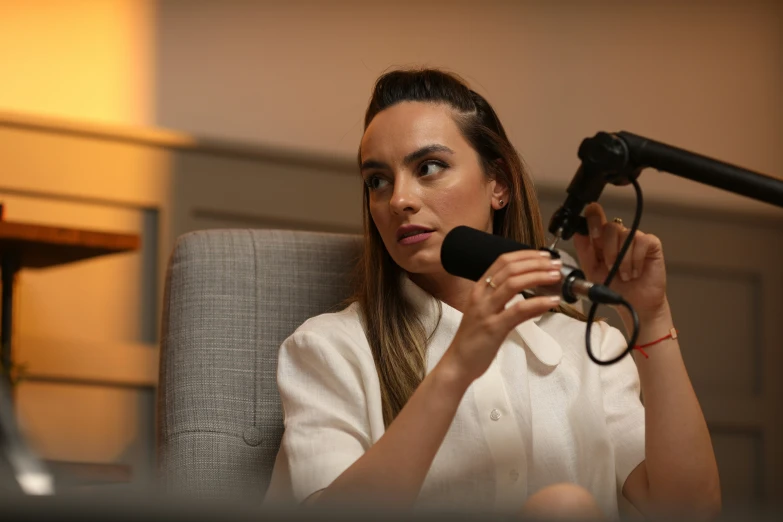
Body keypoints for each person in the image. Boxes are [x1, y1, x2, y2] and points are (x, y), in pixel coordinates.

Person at [264, 69, 721, 520]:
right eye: (377, 181)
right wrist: (458, 365)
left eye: (428, 167)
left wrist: (652, 315)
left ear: (498, 185)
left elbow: (690, 511)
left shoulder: (591, 348)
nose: (398, 199)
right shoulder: (329, 348)